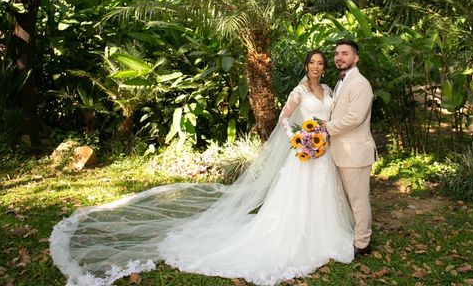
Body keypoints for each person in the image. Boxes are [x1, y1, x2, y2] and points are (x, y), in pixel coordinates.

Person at [50, 50, 354, 286]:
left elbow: (334, 118)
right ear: (306, 66)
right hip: (303, 154)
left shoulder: (328, 90)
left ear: (324, 68)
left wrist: (319, 138)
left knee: (323, 195)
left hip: (323, 154)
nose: (316, 66)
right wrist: (298, 139)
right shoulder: (298, 92)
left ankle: (323, 236)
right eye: (312, 62)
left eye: (320, 63)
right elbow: (284, 119)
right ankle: (296, 238)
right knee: (298, 198)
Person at [321, 39, 376, 255]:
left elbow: (355, 117)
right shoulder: (342, 82)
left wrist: (327, 128)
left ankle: (363, 243)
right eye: (336, 53)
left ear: (356, 57)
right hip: (340, 151)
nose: (339, 57)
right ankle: (353, 234)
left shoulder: (360, 83)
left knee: (358, 199)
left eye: (345, 53)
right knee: (347, 198)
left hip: (355, 152)